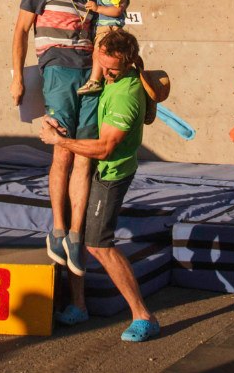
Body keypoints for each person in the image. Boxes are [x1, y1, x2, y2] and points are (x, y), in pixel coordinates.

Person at [38, 28, 160, 343]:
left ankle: (142, 315)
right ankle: (78, 305)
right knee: (77, 237)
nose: (105, 73)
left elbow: (105, 148)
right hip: (96, 168)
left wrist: (58, 140)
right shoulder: (111, 74)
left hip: (111, 174)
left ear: (129, 63)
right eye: (102, 65)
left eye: (112, 69)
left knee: (98, 244)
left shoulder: (126, 95)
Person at [10, 0, 101, 278]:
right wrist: (17, 76)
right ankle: (58, 228)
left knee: (84, 153)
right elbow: (19, 30)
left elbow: (116, 23)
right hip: (58, 71)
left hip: (91, 74)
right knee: (62, 149)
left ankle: (77, 233)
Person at [78, 0, 130, 95]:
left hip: (111, 29)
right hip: (101, 29)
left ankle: (94, 80)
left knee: (99, 52)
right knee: (106, 55)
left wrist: (97, 8)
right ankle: (107, 79)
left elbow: (117, 11)